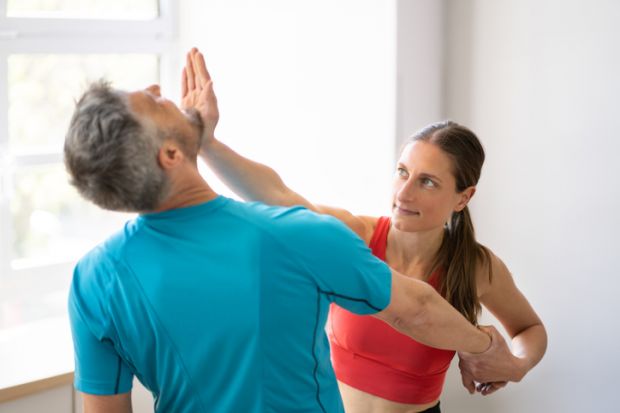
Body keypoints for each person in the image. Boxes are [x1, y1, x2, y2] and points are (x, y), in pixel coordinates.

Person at [65, 48, 503, 413]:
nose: (158, 90)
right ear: (172, 155)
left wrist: (206, 140)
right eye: (151, 103)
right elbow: (417, 309)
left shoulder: (93, 278)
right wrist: (482, 345)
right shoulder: (296, 237)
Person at [195, 58, 548, 412]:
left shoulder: (476, 266)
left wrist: (515, 365)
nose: (403, 193)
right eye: (402, 172)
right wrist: (207, 144)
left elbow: (529, 329)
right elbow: (281, 196)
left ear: (463, 197)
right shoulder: (357, 236)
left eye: (427, 181)